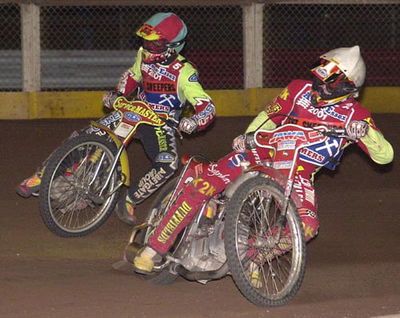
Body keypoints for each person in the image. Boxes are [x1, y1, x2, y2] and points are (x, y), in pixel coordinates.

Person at [131, 45, 394, 275]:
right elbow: (269, 116)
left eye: (329, 81)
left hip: (298, 174)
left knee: (308, 227)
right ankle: (153, 248)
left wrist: (366, 132)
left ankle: (251, 259)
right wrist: (249, 137)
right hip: (261, 153)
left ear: (346, 86)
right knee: (205, 184)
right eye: (320, 76)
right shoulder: (298, 89)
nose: (319, 84)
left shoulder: (356, 115)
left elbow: (385, 156)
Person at [16, 12, 216, 226]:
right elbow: (132, 75)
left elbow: (207, 105)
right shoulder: (143, 55)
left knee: (168, 163)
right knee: (84, 137)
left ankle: (129, 200)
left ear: (173, 46)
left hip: (159, 122)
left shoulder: (185, 72)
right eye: (145, 42)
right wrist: (119, 94)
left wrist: (195, 120)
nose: (148, 48)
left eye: (154, 45)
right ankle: (42, 175)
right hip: (131, 110)